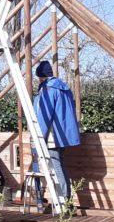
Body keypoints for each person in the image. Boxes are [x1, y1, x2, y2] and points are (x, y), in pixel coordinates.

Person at [32, 60, 80, 201]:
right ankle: (64, 198)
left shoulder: (48, 90)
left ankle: (64, 199)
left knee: (56, 165)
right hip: (64, 135)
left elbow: (44, 115)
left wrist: (40, 137)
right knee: (60, 164)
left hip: (53, 134)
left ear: (41, 76)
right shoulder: (63, 88)